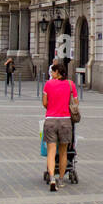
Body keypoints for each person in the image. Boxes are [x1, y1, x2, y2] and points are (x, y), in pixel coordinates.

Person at [42, 60, 79, 192]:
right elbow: (76, 102)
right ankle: (61, 179)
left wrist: (52, 106)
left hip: (51, 120)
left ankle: (52, 178)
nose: (51, 74)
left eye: (53, 71)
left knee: (51, 152)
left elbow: (44, 103)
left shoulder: (48, 84)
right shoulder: (71, 84)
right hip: (65, 121)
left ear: (57, 72)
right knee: (63, 152)